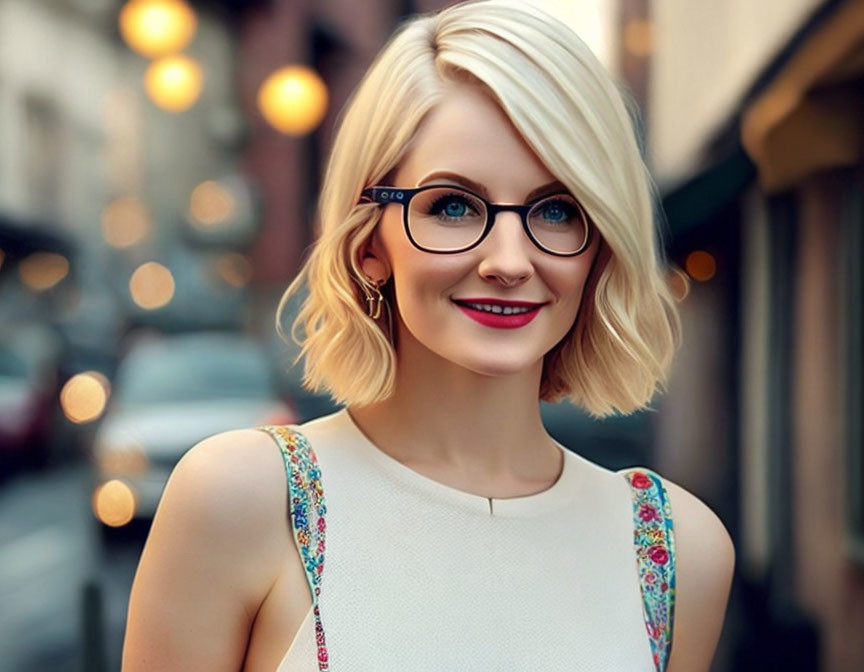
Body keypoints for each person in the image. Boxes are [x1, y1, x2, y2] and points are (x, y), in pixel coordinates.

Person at [122, 1, 735, 670]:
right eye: (452, 206)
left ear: (601, 245)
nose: (508, 260)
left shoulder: (678, 555)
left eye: (557, 210)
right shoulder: (240, 500)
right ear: (370, 243)